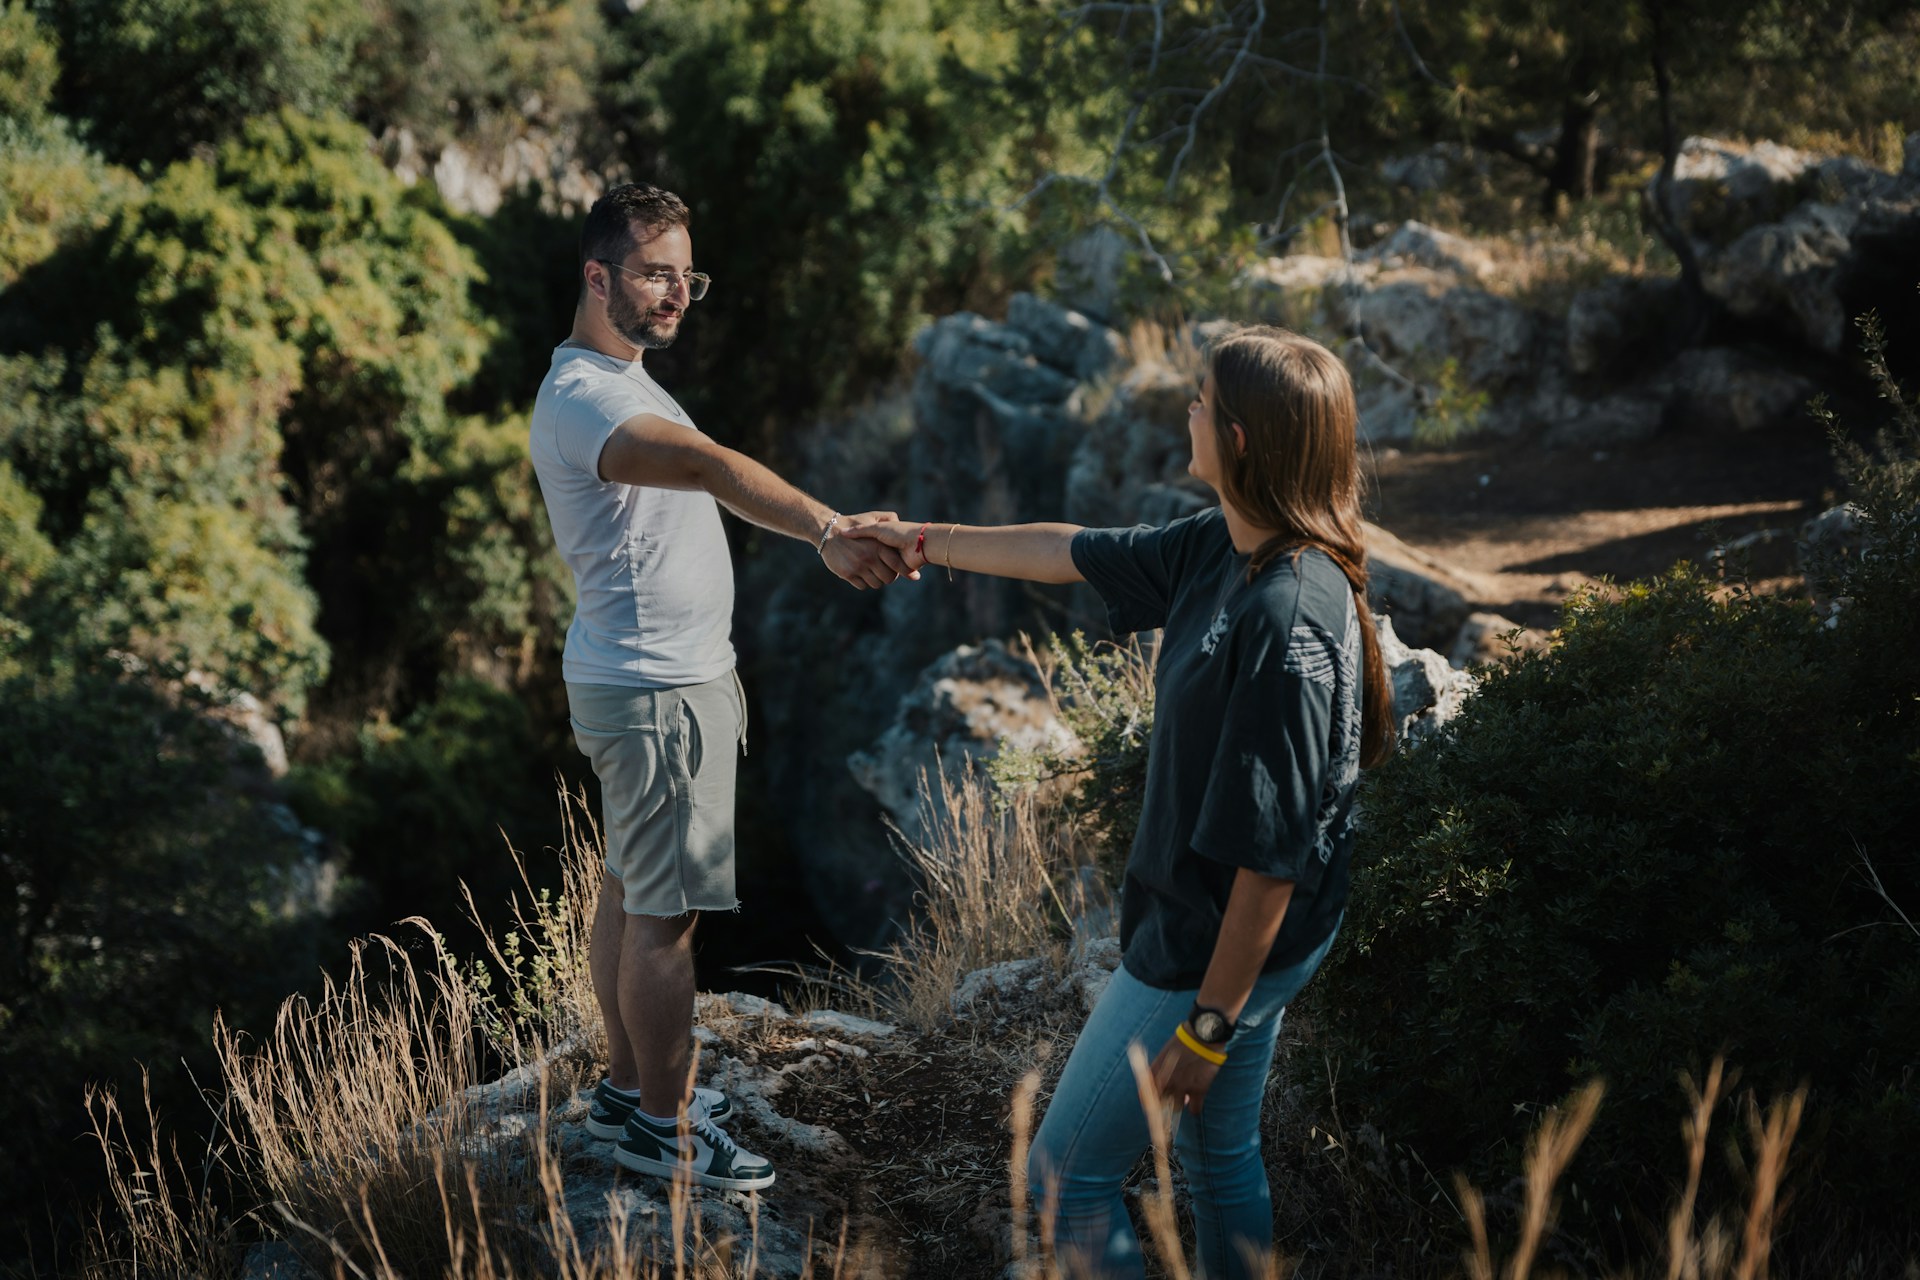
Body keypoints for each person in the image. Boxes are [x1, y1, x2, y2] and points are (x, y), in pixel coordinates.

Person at [843, 325, 1395, 1276]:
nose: (1187, 410)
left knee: (1063, 1176)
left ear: (1241, 440)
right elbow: (1070, 550)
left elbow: (1270, 863)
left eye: (1201, 401)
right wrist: (923, 541)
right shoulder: (1228, 544)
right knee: (1219, 1156)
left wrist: (1209, 1025)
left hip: (1206, 948)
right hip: (1233, 938)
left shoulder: (1285, 615)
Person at [529, 182, 911, 1192]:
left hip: (657, 682)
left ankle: (627, 1092)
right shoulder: (589, 399)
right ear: (597, 276)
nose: (675, 294)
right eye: (655, 274)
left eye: (686, 277)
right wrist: (828, 528)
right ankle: (663, 1130)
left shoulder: (623, 375)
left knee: (630, 886)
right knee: (665, 921)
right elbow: (704, 466)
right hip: (656, 693)